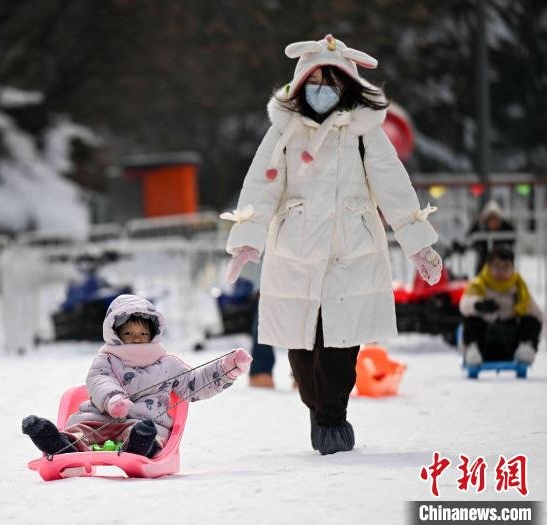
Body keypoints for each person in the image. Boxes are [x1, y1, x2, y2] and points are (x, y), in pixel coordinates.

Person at [221, 35, 442, 455]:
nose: (323, 87)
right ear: (301, 83)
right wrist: (248, 240)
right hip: (297, 249)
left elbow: (394, 187)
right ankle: (318, 406)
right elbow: (261, 186)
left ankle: (332, 418)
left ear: (347, 85)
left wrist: (418, 244)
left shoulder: (365, 134)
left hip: (350, 250)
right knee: (303, 350)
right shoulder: (284, 133)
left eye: (333, 79)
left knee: (339, 345)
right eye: (315, 79)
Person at [22, 294, 252, 457]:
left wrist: (227, 368)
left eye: (143, 332)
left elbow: (194, 384)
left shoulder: (168, 364)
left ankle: (140, 446)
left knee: (143, 432)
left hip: (141, 424)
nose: (136, 337)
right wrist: (113, 400)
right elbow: (99, 380)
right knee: (82, 431)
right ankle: (60, 444)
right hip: (99, 419)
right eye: (129, 332)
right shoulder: (107, 359)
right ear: (116, 334)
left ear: (153, 333)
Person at [459, 246, 542, 365]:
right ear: (488, 266)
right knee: (469, 318)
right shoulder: (479, 284)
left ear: (513, 268)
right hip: (484, 341)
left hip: (511, 342)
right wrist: (479, 305)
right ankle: (472, 349)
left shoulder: (519, 288)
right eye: (496, 266)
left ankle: (525, 348)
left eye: (506, 267)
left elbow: (538, 315)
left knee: (531, 320)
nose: (501, 271)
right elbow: (464, 304)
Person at [467, 200, 516, 274]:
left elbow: (513, 235)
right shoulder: (481, 228)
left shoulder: (506, 229)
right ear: (486, 220)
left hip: (503, 266)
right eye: (491, 219)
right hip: (484, 265)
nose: (493, 222)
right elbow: (470, 236)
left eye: (495, 218)